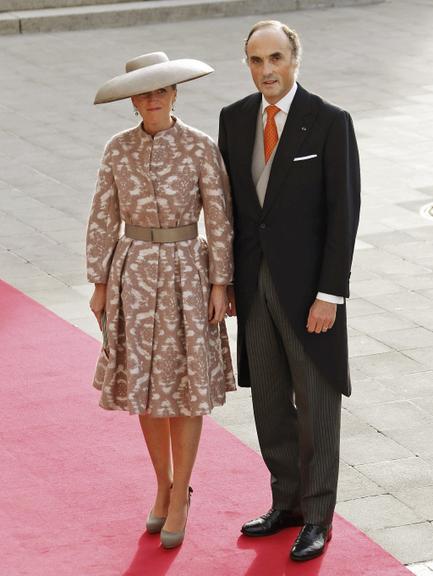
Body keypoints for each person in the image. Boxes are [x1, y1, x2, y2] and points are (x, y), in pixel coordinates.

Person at [219, 21, 360, 561]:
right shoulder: (233, 120)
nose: (266, 71)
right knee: (271, 403)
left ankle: (318, 518)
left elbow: (342, 215)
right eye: (256, 61)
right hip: (254, 290)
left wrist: (331, 293)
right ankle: (288, 504)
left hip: (310, 295)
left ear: (295, 59)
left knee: (318, 406)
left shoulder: (328, 122)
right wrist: (228, 281)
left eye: (275, 58)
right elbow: (232, 210)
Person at [86, 52, 235, 549]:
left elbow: (219, 215)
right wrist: (100, 282)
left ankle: (182, 495)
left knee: (185, 384)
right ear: (132, 99)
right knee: (145, 387)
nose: (152, 98)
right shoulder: (117, 149)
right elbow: (103, 215)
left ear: (175, 93)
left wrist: (221, 284)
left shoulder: (200, 147)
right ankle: (164, 484)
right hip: (133, 271)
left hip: (186, 273)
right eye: (143, 92)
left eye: (161, 89)